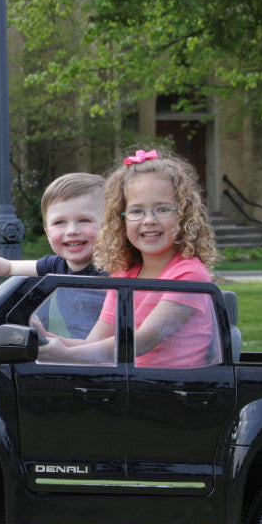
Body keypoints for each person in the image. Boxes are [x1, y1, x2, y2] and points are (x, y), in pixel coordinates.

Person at [37, 148, 219, 366]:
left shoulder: (189, 274)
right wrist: (44, 339)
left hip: (174, 385)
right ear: (120, 220)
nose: (149, 220)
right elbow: (94, 343)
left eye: (162, 209)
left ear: (183, 214)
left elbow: (142, 341)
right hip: (129, 380)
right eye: (136, 211)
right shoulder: (124, 273)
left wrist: (65, 355)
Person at [0, 172, 105, 283]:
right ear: (48, 233)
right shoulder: (56, 266)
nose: (72, 231)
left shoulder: (113, 269)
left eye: (84, 220)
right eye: (60, 222)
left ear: (109, 226)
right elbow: (8, 267)